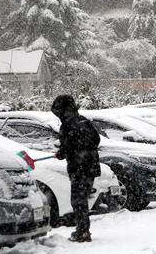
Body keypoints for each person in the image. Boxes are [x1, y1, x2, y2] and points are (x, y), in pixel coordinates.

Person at [51, 94, 101, 243]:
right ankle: (83, 229)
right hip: (91, 166)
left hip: (78, 168)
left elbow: (69, 146)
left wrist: (61, 153)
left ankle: (82, 232)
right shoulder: (84, 120)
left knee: (78, 201)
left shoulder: (67, 125)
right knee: (83, 199)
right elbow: (96, 140)